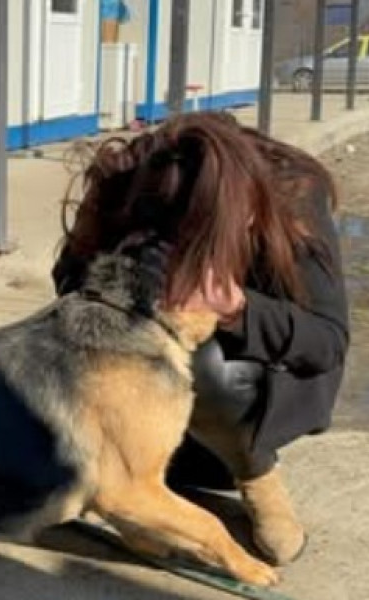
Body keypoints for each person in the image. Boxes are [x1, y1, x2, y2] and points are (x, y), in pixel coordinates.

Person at [53, 112, 348, 567]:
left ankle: (256, 473)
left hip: (240, 391)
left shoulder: (292, 193)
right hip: (139, 397)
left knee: (204, 360)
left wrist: (237, 308)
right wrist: (119, 274)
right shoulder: (127, 178)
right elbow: (68, 282)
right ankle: (128, 473)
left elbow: (328, 339)